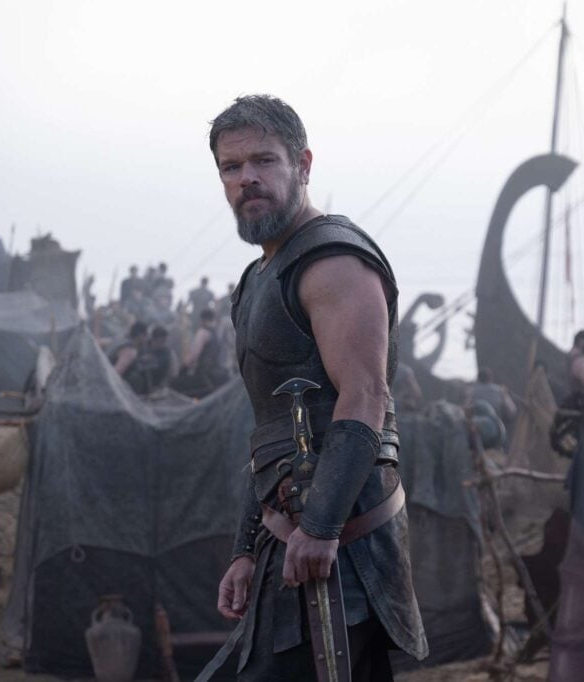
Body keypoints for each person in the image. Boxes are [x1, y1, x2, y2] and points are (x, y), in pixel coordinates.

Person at [208, 95, 427, 680]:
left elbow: (366, 397)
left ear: (302, 164)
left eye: (264, 160)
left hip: (339, 552)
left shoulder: (333, 262)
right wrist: (246, 548)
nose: (247, 178)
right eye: (231, 167)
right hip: (290, 537)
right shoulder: (257, 278)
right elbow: (273, 431)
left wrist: (323, 527)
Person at [177, 309, 230, 396]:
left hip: (203, 375)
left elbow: (194, 355)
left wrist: (183, 368)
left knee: (177, 385)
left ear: (202, 319)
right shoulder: (217, 333)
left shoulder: (203, 333)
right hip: (217, 373)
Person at [109, 322, 149, 393]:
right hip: (111, 384)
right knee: (136, 378)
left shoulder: (120, 340)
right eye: (146, 335)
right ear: (140, 335)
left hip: (107, 372)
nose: (147, 338)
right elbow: (115, 374)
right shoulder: (130, 350)